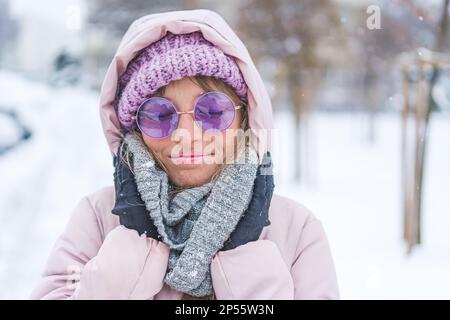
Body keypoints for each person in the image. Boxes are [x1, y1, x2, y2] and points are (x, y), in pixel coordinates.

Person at [30, 9, 339, 300]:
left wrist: (244, 259)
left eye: (213, 110)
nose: (187, 135)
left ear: (245, 117)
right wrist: (133, 251)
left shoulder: (297, 231)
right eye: (158, 114)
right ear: (134, 132)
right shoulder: (98, 218)